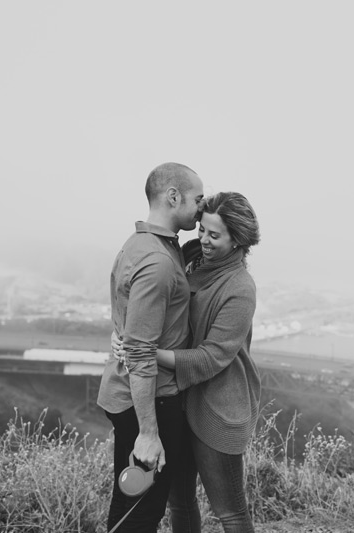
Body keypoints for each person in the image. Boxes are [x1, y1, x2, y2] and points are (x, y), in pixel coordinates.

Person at [114, 191, 262, 533]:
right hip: (179, 399)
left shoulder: (240, 288)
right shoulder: (190, 256)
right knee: (180, 502)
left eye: (215, 235)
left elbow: (213, 358)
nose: (204, 241)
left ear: (238, 240)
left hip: (218, 403)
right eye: (202, 231)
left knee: (231, 512)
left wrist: (146, 352)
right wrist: (124, 335)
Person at [97, 162, 205, 532]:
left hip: (131, 392)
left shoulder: (142, 244)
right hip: (149, 399)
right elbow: (142, 352)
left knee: (136, 504)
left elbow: (128, 321)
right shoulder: (158, 261)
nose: (202, 207)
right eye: (198, 199)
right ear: (173, 197)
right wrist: (148, 432)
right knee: (139, 513)